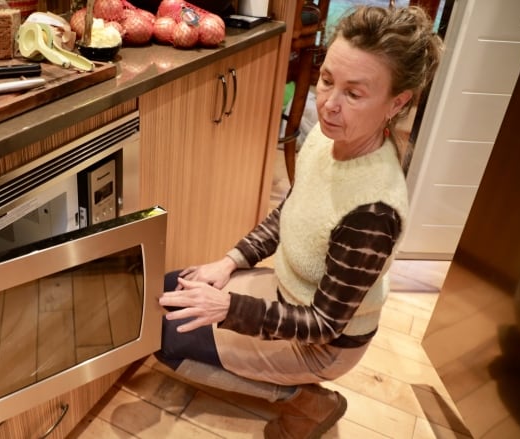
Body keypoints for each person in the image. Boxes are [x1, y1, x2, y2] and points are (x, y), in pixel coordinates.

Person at [155, 4, 444, 439]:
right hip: (286, 294)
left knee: (163, 340)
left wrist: (229, 307)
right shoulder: (330, 142)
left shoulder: (373, 212)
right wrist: (229, 263)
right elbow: (290, 210)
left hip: (322, 344)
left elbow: (325, 325)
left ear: (396, 102)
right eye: (327, 81)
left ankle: (306, 402)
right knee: (165, 292)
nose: (328, 104)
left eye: (354, 93)